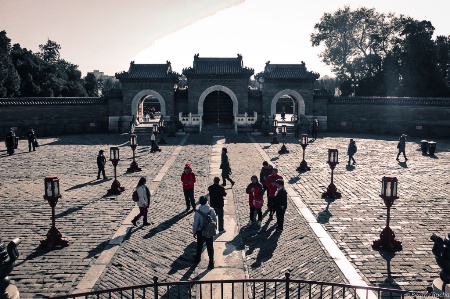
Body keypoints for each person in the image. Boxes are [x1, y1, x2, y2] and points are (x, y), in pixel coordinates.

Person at [193, 196, 217, 268]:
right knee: (210, 246)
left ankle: (198, 258)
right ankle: (211, 261)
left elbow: (196, 223)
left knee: (199, 245)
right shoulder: (211, 210)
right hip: (209, 231)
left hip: (200, 231)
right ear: (206, 201)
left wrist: (194, 232)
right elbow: (215, 220)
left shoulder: (198, 212)